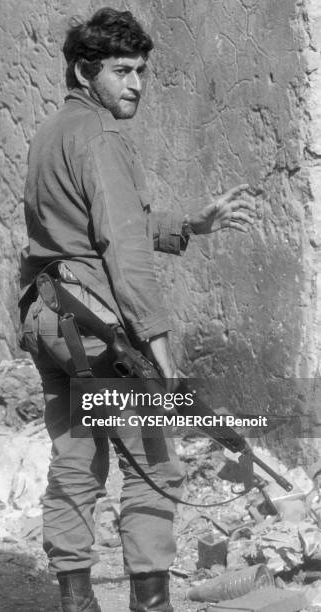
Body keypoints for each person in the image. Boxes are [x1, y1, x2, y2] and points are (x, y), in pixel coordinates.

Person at [19, 8, 255, 612]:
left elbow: (92, 225)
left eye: (142, 70)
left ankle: (75, 599)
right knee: (157, 466)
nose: (137, 83)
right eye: (122, 70)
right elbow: (121, 250)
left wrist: (189, 225)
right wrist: (160, 354)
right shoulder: (101, 137)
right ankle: (151, 604)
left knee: (76, 457)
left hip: (52, 316)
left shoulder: (53, 132)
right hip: (100, 330)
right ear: (84, 69)